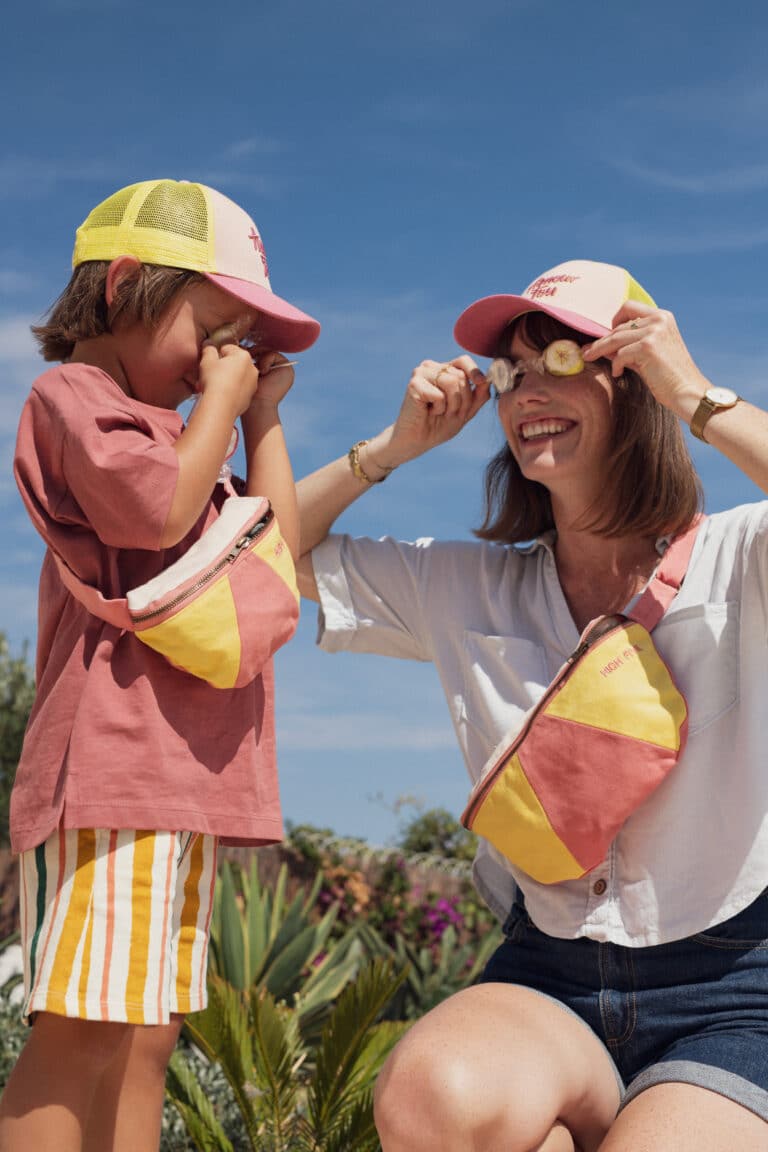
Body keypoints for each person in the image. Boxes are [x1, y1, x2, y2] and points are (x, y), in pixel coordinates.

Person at [295, 259, 768, 1151]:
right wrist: (391, 450)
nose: (525, 392)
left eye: (561, 358)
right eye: (510, 372)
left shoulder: (741, 558)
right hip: (550, 974)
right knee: (436, 1098)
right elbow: (256, 551)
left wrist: (697, 396)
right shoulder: (467, 585)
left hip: (737, 985)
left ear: (635, 376)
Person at [0, 178, 320, 1152]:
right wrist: (221, 406)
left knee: (147, 1038)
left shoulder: (192, 445)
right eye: (213, 330)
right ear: (126, 284)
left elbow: (277, 555)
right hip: (112, 771)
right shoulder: (75, 400)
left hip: (182, 782)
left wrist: (259, 418)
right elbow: (153, 514)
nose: (223, 359)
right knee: (86, 1029)